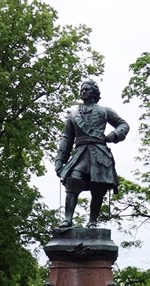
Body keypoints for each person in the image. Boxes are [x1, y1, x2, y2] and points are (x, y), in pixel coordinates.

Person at [54, 79, 129, 228]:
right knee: (72, 180)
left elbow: (123, 124)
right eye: (81, 90)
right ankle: (67, 219)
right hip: (80, 154)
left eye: (86, 89)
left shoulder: (105, 111)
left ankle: (93, 221)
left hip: (99, 154)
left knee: (98, 188)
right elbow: (67, 138)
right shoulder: (73, 115)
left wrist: (114, 134)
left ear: (94, 92)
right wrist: (59, 159)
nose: (83, 92)